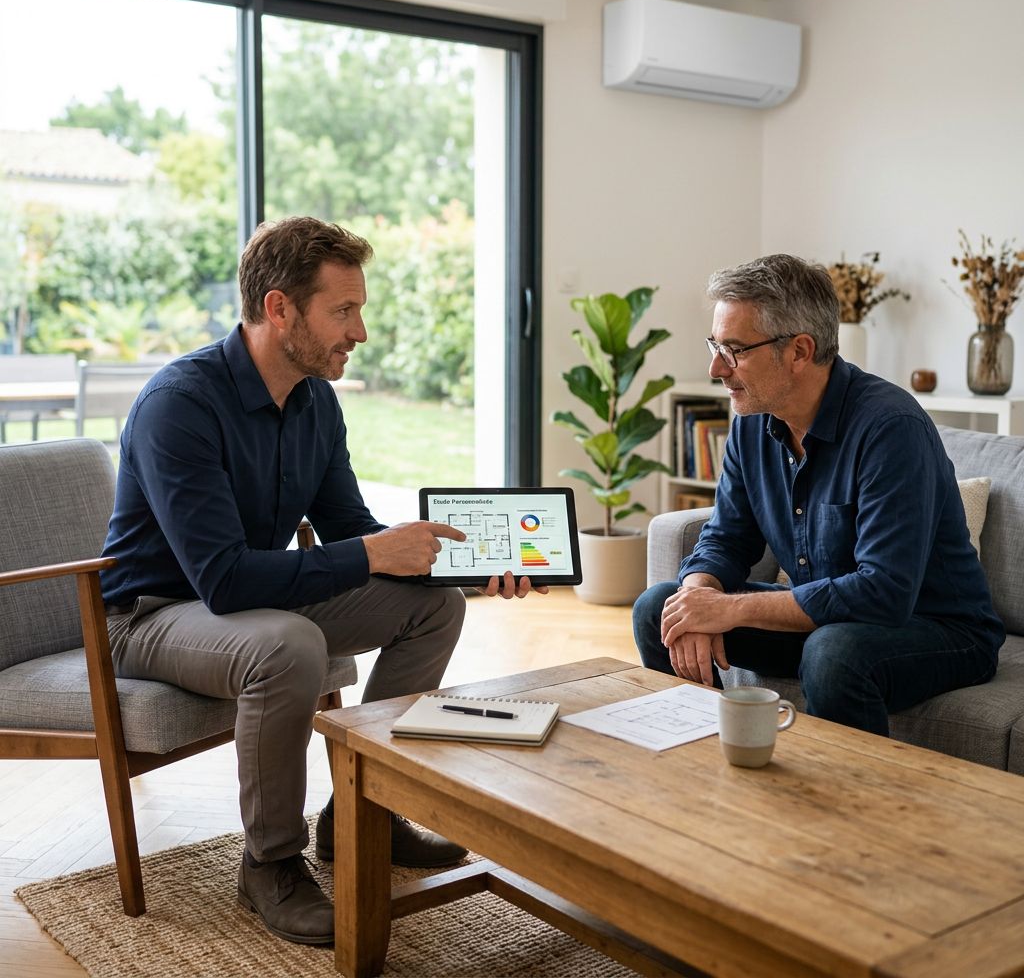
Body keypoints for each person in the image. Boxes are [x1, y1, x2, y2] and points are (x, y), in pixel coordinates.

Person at [100, 216, 545, 946]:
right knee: (289, 645)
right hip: (155, 617)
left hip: (250, 598)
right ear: (280, 309)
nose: (359, 330)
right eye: (343, 310)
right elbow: (226, 581)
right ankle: (269, 865)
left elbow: (348, 530)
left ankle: (359, 813)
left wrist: (462, 567)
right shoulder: (178, 405)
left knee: (430, 607)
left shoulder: (315, 402)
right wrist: (374, 555)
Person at [633, 253, 1004, 738]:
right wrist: (698, 595)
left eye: (735, 350)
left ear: (800, 351)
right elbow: (727, 538)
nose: (715, 369)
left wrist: (728, 609)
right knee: (659, 607)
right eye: (715, 345)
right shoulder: (751, 423)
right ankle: (699, 773)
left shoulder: (891, 429)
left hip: (937, 628)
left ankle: (846, 810)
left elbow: (883, 593)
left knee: (834, 653)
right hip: (827, 621)